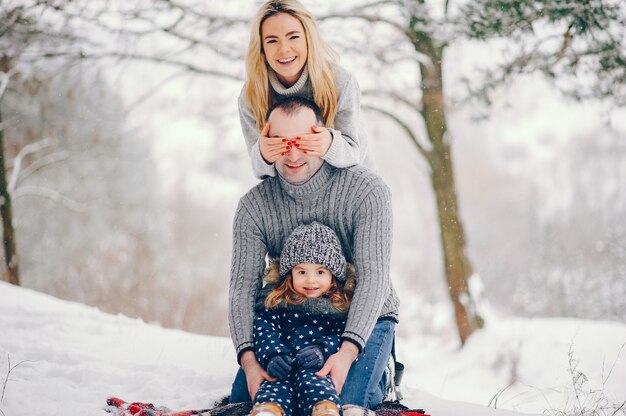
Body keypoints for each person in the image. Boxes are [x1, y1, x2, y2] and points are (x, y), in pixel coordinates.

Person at [229, 96, 399, 411]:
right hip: (287, 319)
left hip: (361, 317)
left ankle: (381, 371)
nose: (292, 154)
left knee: (346, 402)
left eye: (303, 141)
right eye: (280, 142)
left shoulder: (368, 191)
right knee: (246, 402)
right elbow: (242, 290)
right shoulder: (253, 206)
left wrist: (347, 353)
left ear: (323, 137)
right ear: (265, 140)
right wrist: (250, 362)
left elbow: (374, 278)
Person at [239, 0, 373, 179]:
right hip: (296, 194)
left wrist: (330, 145)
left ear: (309, 40)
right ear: (262, 51)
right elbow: (260, 172)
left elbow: (354, 152)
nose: (284, 49)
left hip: (350, 184)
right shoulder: (251, 96)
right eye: (272, 41)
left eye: (293, 37)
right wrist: (263, 156)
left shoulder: (340, 82)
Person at [250, 221, 355, 416]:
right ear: (290, 274)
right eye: (302, 272)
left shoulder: (338, 307)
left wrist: (322, 350)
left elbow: (339, 336)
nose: (311, 280)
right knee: (272, 387)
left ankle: (324, 410)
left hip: (315, 367)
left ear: (333, 275)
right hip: (282, 363)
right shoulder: (278, 300)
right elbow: (264, 329)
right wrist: (273, 355)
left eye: (320, 272)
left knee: (317, 386)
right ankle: (269, 411)